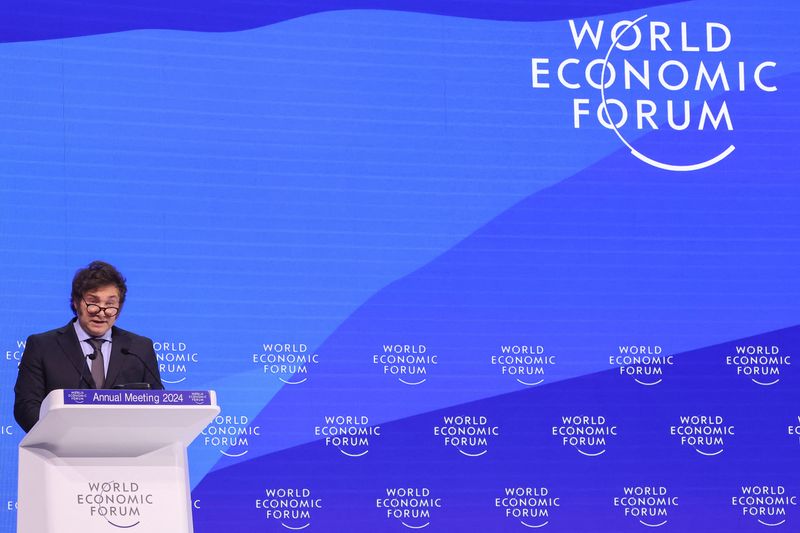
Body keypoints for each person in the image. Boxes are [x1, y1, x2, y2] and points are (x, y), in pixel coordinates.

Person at [13, 260, 163, 432]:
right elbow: (26, 407)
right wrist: (62, 438)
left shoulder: (139, 348)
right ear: (76, 302)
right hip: (60, 446)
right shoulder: (42, 346)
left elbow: (156, 407)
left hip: (125, 446)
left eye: (110, 304)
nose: (101, 312)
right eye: (93, 302)